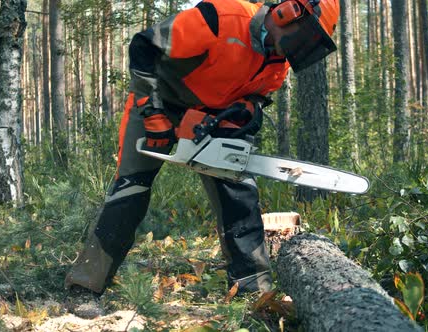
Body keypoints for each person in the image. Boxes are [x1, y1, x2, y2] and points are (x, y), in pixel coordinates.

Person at [65, 0, 340, 301]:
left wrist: (247, 110)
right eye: (306, 36)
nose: (301, 47)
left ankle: (252, 290)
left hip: (212, 117)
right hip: (159, 100)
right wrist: (151, 112)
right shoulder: (221, 18)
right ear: (288, 12)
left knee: (239, 191)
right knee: (130, 189)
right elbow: (144, 46)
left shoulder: (279, 61)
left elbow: (256, 95)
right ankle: (85, 286)